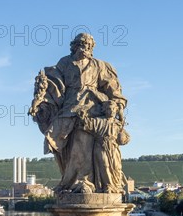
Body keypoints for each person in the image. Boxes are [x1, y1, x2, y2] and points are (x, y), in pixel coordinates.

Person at [30, 33, 129, 193]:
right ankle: (69, 179)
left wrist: (118, 105)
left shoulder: (100, 65)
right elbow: (54, 86)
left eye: (89, 45)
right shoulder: (65, 63)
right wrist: (41, 100)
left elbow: (113, 89)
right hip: (69, 107)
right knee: (56, 140)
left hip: (92, 108)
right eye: (82, 44)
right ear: (74, 46)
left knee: (83, 138)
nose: (86, 48)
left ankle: (85, 180)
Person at [77, 101, 128, 193]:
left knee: (116, 167)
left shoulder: (118, 123)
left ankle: (116, 186)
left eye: (113, 109)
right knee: (105, 165)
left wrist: (124, 138)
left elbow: (125, 138)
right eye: (108, 109)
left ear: (116, 110)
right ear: (104, 110)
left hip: (113, 148)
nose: (111, 111)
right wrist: (82, 115)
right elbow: (88, 124)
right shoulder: (99, 121)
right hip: (101, 146)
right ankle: (108, 186)